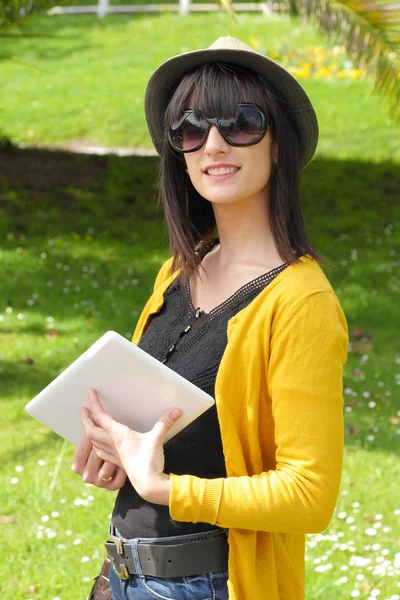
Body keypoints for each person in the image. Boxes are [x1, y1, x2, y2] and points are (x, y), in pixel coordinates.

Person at [72, 36, 349, 600]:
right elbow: (168, 427)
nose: (214, 144)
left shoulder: (301, 301)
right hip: (122, 573)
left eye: (242, 122)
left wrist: (164, 486)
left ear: (280, 145)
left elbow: (309, 495)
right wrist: (118, 453)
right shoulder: (177, 271)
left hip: (210, 584)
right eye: (191, 129)